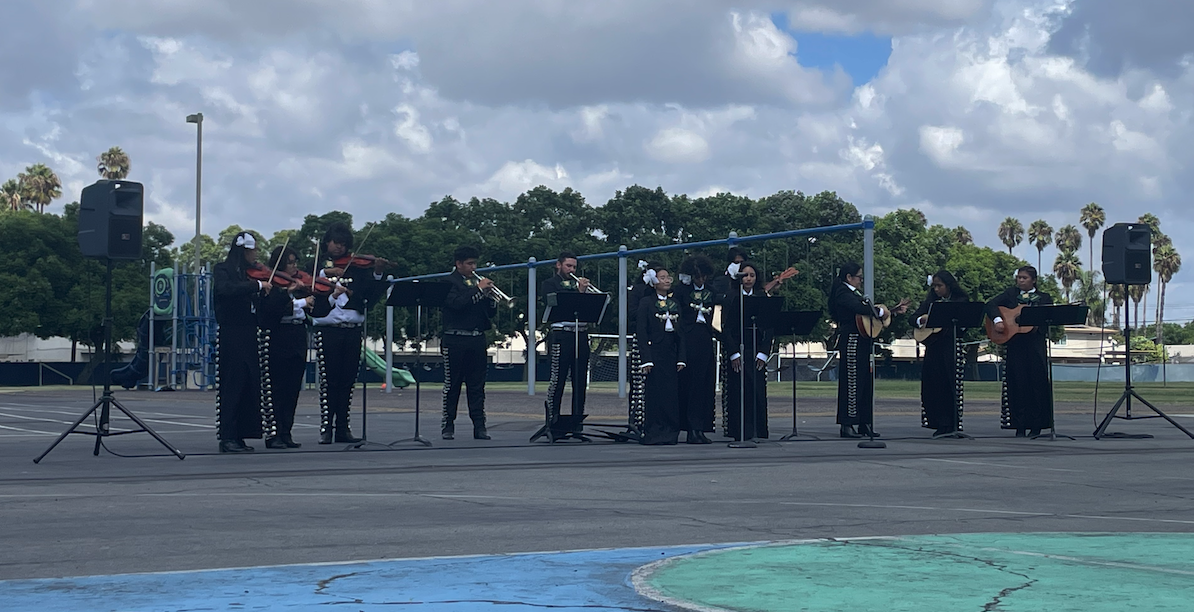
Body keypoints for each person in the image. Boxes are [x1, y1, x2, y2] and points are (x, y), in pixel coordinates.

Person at [310, 223, 389, 444]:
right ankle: (327, 426)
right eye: (336, 243)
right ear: (327, 242)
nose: (340, 248)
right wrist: (326, 272)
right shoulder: (317, 263)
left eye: (344, 244)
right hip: (328, 329)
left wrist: (377, 272)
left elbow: (370, 296)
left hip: (352, 329)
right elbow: (307, 281)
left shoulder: (357, 268)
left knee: (347, 380)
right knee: (329, 381)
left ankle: (343, 426)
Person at [829, 262, 909, 439]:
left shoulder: (855, 293)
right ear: (849, 277)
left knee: (865, 382)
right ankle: (847, 423)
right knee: (851, 382)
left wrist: (891, 311)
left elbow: (869, 316)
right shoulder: (842, 292)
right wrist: (880, 311)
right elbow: (859, 309)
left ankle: (865, 421)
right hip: (850, 340)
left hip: (862, 340)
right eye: (859, 277)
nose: (860, 280)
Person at [212, 231, 271, 453]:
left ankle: (240, 433)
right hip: (231, 331)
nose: (255, 255)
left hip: (248, 331)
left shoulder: (249, 273)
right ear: (243, 251)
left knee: (247, 382)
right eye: (252, 251)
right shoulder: (223, 270)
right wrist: (256, 286)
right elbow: (225, 290)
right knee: (232, 383)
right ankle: (227, 435)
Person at [985, 266, 1055, 437]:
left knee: (1037, 384)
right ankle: (1020, 424)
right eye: (1019, 278)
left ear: (1034, 280)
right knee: (1017, 383)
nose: (1021, 281)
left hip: (1035, 345)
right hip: (1015, 345)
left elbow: (1049, 317)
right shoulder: (1010, 294)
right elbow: (991, 304)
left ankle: (1037, 424)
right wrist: (998, 320)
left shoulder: (1044, 298)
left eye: (1024, 278)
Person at [259, 245, 315, 449]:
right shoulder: (273, 286)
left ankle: (286, 431)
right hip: (279, 335)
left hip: (297, 334)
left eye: (295, 262)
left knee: (293, 387)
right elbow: (272, 311)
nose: (294, 267)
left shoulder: (298, 286)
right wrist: (298, 300)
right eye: (290, 262)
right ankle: (273, 433)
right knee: (277, 387)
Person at [440, 246, 498, 441]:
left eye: (475, 263)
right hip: (454, 338)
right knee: (452, 384)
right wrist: (478, 290)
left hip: (476, 338)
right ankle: (448, 425)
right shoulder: (448, 282)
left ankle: (480, 426)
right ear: (458, 264)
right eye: (469, 263)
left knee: (477, 386)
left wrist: (490, 298)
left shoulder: (475, 284)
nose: (474, 267)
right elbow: (456, 304)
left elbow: (489, 313)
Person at [540, 251, 594, 434]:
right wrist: (578, 293)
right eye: (568, 266)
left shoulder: (578, 284)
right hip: (561, 334)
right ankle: (552, 421)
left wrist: (585, 294)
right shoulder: (549, 284)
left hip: (580, 334)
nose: (571, 270)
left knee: (580, 381)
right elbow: (554, 303)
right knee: (558, 379)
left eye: (574, 267)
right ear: (558, 265)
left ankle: (577, 423)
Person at [911, 270, 970, 437]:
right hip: (933, 347)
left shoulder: (960, 300)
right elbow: (913, 317)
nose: (936, 289)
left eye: (940, 286)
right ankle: (937, 422)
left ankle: (952, 423)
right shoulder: (931, 301)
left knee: (949, 384)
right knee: (933, 384)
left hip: (950, 346)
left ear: (949, 285)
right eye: (934, 286)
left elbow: (965, 321)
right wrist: (920, 320)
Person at [722, 261, 774, 441]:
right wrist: (733, 352)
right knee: (738, 390)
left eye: (752, 275)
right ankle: (739, 430)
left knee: (757, 390)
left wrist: (764, 352)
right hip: (738, 347)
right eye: (745, 275)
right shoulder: (731, 297)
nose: (748, 279)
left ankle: (758, 430)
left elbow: (769, 328)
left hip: (756, 348)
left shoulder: (762, 297)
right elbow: (726, 328)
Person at [637, 267, 687, 445]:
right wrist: (646, 358)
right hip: (655, 350)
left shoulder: (675, 303)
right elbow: (641, 331)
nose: (667, 280)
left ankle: (670, 431)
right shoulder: (646, 302)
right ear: (654, 281)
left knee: (671, 394)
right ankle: (654, 430)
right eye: (662, 277)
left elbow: (680, 332)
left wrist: (681, 357)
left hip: (670, 350)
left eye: (668, 277)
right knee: (655, 393)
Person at [674, 254, 718, 444]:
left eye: (703, 276)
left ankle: (700, 427)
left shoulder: (712, 291)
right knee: (689, 384)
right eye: (697, 276)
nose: (701, 280)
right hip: (688, 337)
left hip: (705, 337)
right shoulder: (681, 292)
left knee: (703, 384)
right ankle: (690, 427)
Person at [626, 260, 661, 435]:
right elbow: (631, 312)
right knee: (638, 382)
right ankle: (636, 419)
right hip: (642, 336)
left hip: (660, 340)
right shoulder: (639, 291)